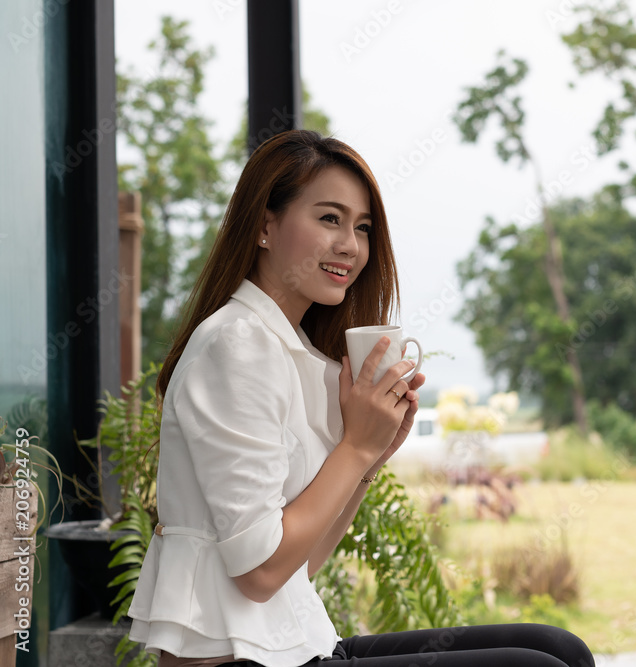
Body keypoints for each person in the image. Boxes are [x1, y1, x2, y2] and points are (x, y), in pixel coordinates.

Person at [127, 130, 595, 667]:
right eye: (330, 218)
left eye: (363, 227)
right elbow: (260, 573)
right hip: (240, 661)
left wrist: (370, 457)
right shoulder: (237, 343)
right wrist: (354, 447)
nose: (351, 245)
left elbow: (300, 567)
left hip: (293, 648)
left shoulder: (284, 347)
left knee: (558, 647)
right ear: (263, 226)